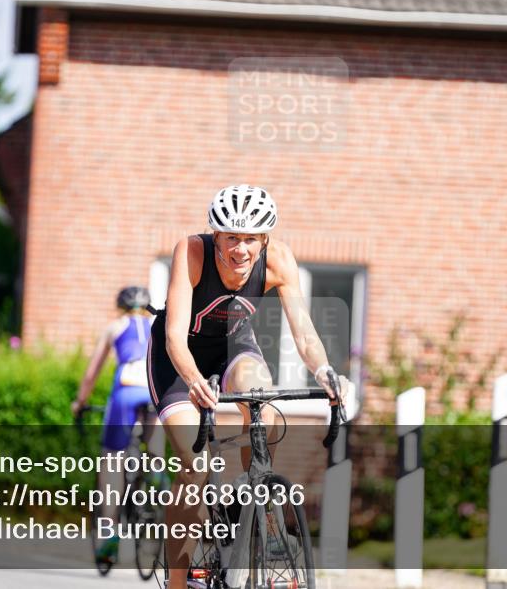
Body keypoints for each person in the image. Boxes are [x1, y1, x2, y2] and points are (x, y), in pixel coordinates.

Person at [146, 184, 350, 589]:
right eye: (232, 238)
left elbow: (304, 332)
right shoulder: (191, 252)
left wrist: (325, 371)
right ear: (217, 236)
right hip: (178, 360)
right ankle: (178, 579)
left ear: (265, 240)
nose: (241, 249)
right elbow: (174, 338)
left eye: (251, 239)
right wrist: (194, 383)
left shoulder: (279, 261)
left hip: (233, 347)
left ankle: (252, 505)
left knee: (266, 411)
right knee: (195, 464)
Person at [71, 285, 156, 563]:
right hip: (155, 394)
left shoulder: (115, 327)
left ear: (120, 306)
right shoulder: (157, 325)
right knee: (154, 453)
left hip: (126, 392)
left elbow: (92, 371)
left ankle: (109, 534)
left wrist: (80, 402)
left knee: (112, 460)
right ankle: (156, 485)